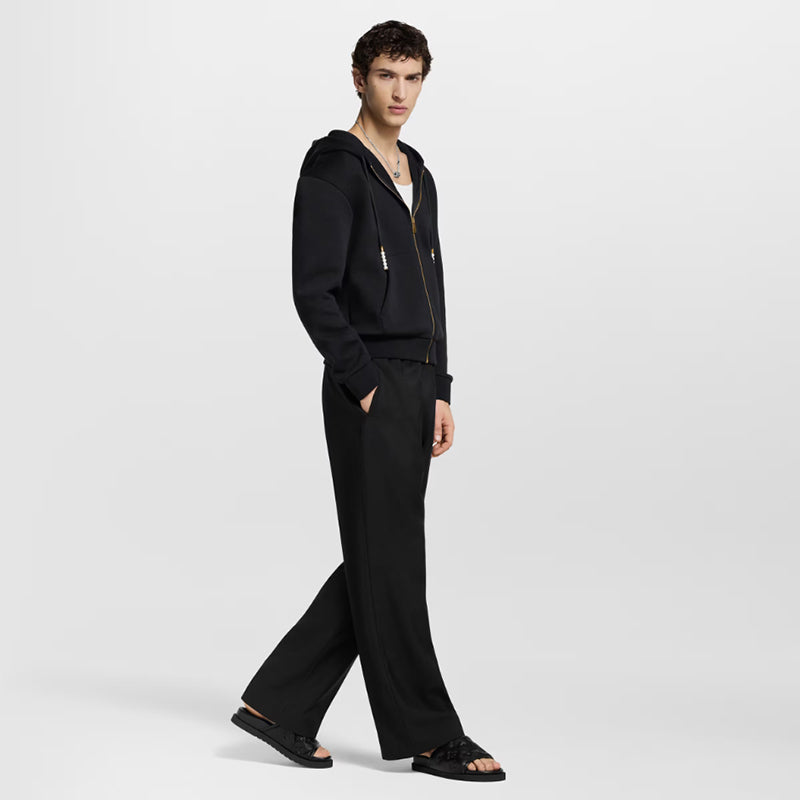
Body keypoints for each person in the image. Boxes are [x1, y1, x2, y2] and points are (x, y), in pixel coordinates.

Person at [230, 20, 505, 783]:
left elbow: (434, 289)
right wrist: (365, 382)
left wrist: (439, 387)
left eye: (412, 78)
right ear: (359, 78)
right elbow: (312, 290)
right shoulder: (333, 167)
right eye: (387, 75)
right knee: (395, 558)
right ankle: (430, 734)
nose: (400, 92)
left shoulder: (420, 173)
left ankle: (277, 705)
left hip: (417, 383)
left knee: (381, 554)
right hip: (369, 383)